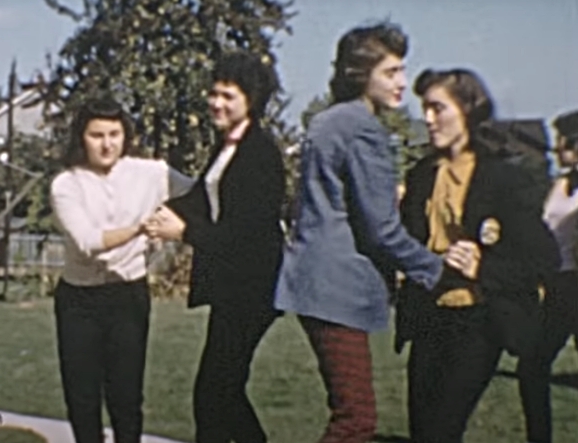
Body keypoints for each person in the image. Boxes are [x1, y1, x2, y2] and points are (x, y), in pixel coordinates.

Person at [272, 22, 479, 443]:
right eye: (391, 72)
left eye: (402, 70)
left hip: (311, 282)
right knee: (356, 420)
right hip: (338, 288)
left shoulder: (326, 121)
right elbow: (381, 230)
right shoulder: (364, 130)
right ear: (359, 74)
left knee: (350, 412)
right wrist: (438, 269)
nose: (403, 83)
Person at [397, 68, 559, 443]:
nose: (428, 118)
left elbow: (542, 257)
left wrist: (484, 265)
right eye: (425, 108)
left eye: (438, 108)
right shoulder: (423, 174)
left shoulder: (501, 177)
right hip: (428, 316)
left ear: (468, 109)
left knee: (442, 430)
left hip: (477, 322)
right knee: (422, 432)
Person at [144, 51, 285, 443]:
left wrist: (184, 231)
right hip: (232, 288)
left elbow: (245, 233)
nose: (216, 103)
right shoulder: (227, 147)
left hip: (252, 290)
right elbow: (199, 200)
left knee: (215, 393)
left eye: (228, 95)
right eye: (214, 93)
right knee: (220, 393)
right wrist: (158, 215)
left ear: (251, 101)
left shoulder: (260, 154)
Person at [50, 98, 192, 443]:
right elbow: (88, 241)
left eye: (114, 134)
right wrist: (141, 228)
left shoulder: (151, 173)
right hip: (79, 301)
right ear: (81, 138)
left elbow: (201, 194)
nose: (107, 143)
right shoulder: (66, 184)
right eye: (96, 135)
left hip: (127, 295)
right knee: (82, 399)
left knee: (127, 397)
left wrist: (177, 223)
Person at [516, 110, 578, 443]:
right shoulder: (559, 185)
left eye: (562, 142)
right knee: (532, 368)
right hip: (557, 285)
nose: (557, 149)